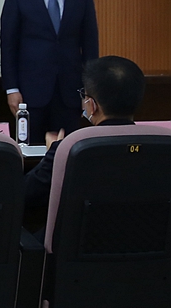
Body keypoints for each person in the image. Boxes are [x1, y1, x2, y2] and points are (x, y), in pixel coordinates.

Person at [0, 0, 99, 144]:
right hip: (29, 93)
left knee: (68, 150)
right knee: (30, 150)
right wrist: (12, 89)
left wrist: (90, 90)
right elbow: (8, 46)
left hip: (70, 92)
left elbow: (90, 47)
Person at [24, 56, 144, 212]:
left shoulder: (69, 148)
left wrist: (54, 153)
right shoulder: (162, 145)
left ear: (92, 105)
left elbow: (25, 195)